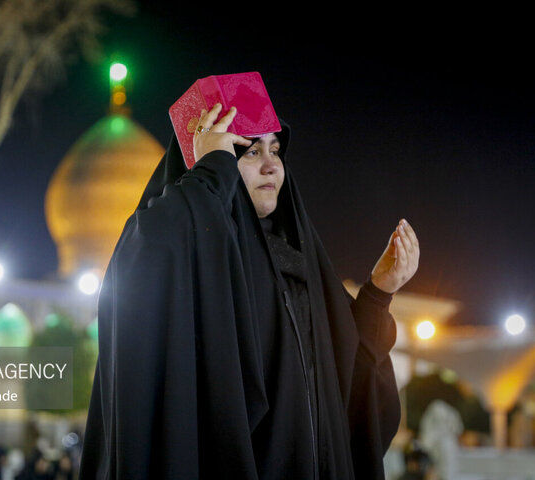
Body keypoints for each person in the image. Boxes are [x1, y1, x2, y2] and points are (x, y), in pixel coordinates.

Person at [79, 102, 420, 479]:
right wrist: (208, 176)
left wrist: (377, 295)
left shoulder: (299, 267)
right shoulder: (188, 261)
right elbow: (149, 264)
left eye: (275, 150)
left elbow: (345, 388)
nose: (272, 165)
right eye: (250, 151)